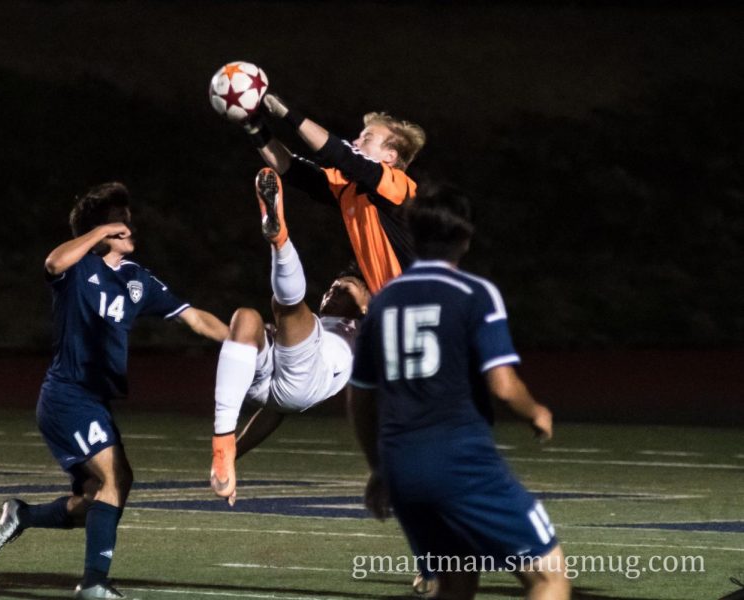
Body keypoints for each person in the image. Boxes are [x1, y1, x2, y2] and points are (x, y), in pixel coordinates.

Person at [0, 182, 229, 600]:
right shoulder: (78, 269)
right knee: (114, 477)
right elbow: (53, 261)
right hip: (66, 395)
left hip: (91, 400)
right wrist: (97, 233)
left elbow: (193, 318)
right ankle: (93, 585)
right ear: (102, 230)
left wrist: (244, 345)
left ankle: (23, 515)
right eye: (121, 222)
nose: (130, 228)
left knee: (103, 493)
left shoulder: (136, 278)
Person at [348, 186, 571, 599]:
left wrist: (380, 468)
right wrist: (535, 411)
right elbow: (503, 386)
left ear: (411, 237)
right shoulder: (474, 293)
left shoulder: (382, 303)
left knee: (455, 582)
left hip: (402, 467)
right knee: (549, 577)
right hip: (461, 463)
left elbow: (361, 397)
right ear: (466, 239)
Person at [210, 168, 371, 504]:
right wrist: (234, 456)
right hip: (270, 389)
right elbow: (275, 411)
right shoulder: (316, 325)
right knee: (247, 319)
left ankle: (280, 242)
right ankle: (221, 441)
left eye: (347, 290)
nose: (333, 291)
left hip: (311, 375)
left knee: (287, 306)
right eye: (332, 288)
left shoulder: (366, 329)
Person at [240, 93, 426, 294]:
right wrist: (255, 127)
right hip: (393, 305)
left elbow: (342, 154)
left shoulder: (400, 186)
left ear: (390, 156)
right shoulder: (349, 188)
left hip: (425, 300)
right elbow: (293, 169)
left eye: (367, 138)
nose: (355, 141)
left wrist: (288, 114)